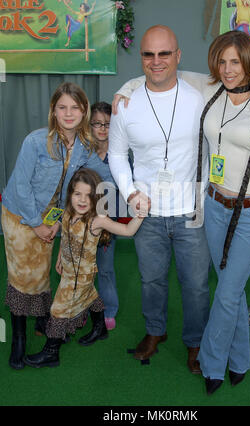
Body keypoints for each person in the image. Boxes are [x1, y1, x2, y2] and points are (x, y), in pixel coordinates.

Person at [113, 30, 250, 393]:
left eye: (236, 63)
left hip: (239, 210)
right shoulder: (210, 93)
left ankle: (209, 359)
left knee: (217, 291)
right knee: (229, 288)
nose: (229, 70)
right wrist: (128, 87)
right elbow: (156, 74)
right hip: (210, 207)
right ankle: (234, 357)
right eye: (223, 62)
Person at [108, 25, 211, 375]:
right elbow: (117, 155)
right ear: (141, 58)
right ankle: (155, 332)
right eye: (149, 54)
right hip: (146, 214)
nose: (156, 61)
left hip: (191, 212)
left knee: (196, 285)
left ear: (178, 56)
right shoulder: (126, 104)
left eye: (164, 53)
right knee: (151, 280)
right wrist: (130, 192)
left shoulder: (200, 97)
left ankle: (195, 343)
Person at [1, 82, 114, 370]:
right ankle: (19, 340)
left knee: (41, 274)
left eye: (75, 107)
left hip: (51, 221)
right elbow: (21, 185)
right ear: (53, 110)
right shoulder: (36, 141)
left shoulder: (86, 146)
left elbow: (105, 180)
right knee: (23, 277)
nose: (68, 113)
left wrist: (121, 198)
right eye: (62, 107)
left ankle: (41, 319)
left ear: (84, 111)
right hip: (20, 216)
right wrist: (37, 224)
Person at [23, 168, 147, 368]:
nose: (82, 200)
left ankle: (51, 352)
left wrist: (140, 215)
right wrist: (60, 258)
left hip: (81, 277)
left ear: (95, 198)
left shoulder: (97, 220)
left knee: (57, 309)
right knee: (91, 296)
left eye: (88, 196)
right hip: (69, 271)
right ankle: (100, 328)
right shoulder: (67, 214)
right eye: (77, 194)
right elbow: (66, 239)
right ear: (70, 194)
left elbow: (126, 230)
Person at [90, 101, 118, 330]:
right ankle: (79, 308)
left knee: (105, 269)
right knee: (80, 269)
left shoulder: (120, 157)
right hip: (83, 224)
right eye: (97, 124)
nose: (102, 129)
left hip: (108, 225)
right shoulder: (83, 153)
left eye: (107, 124)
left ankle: (109, 309)